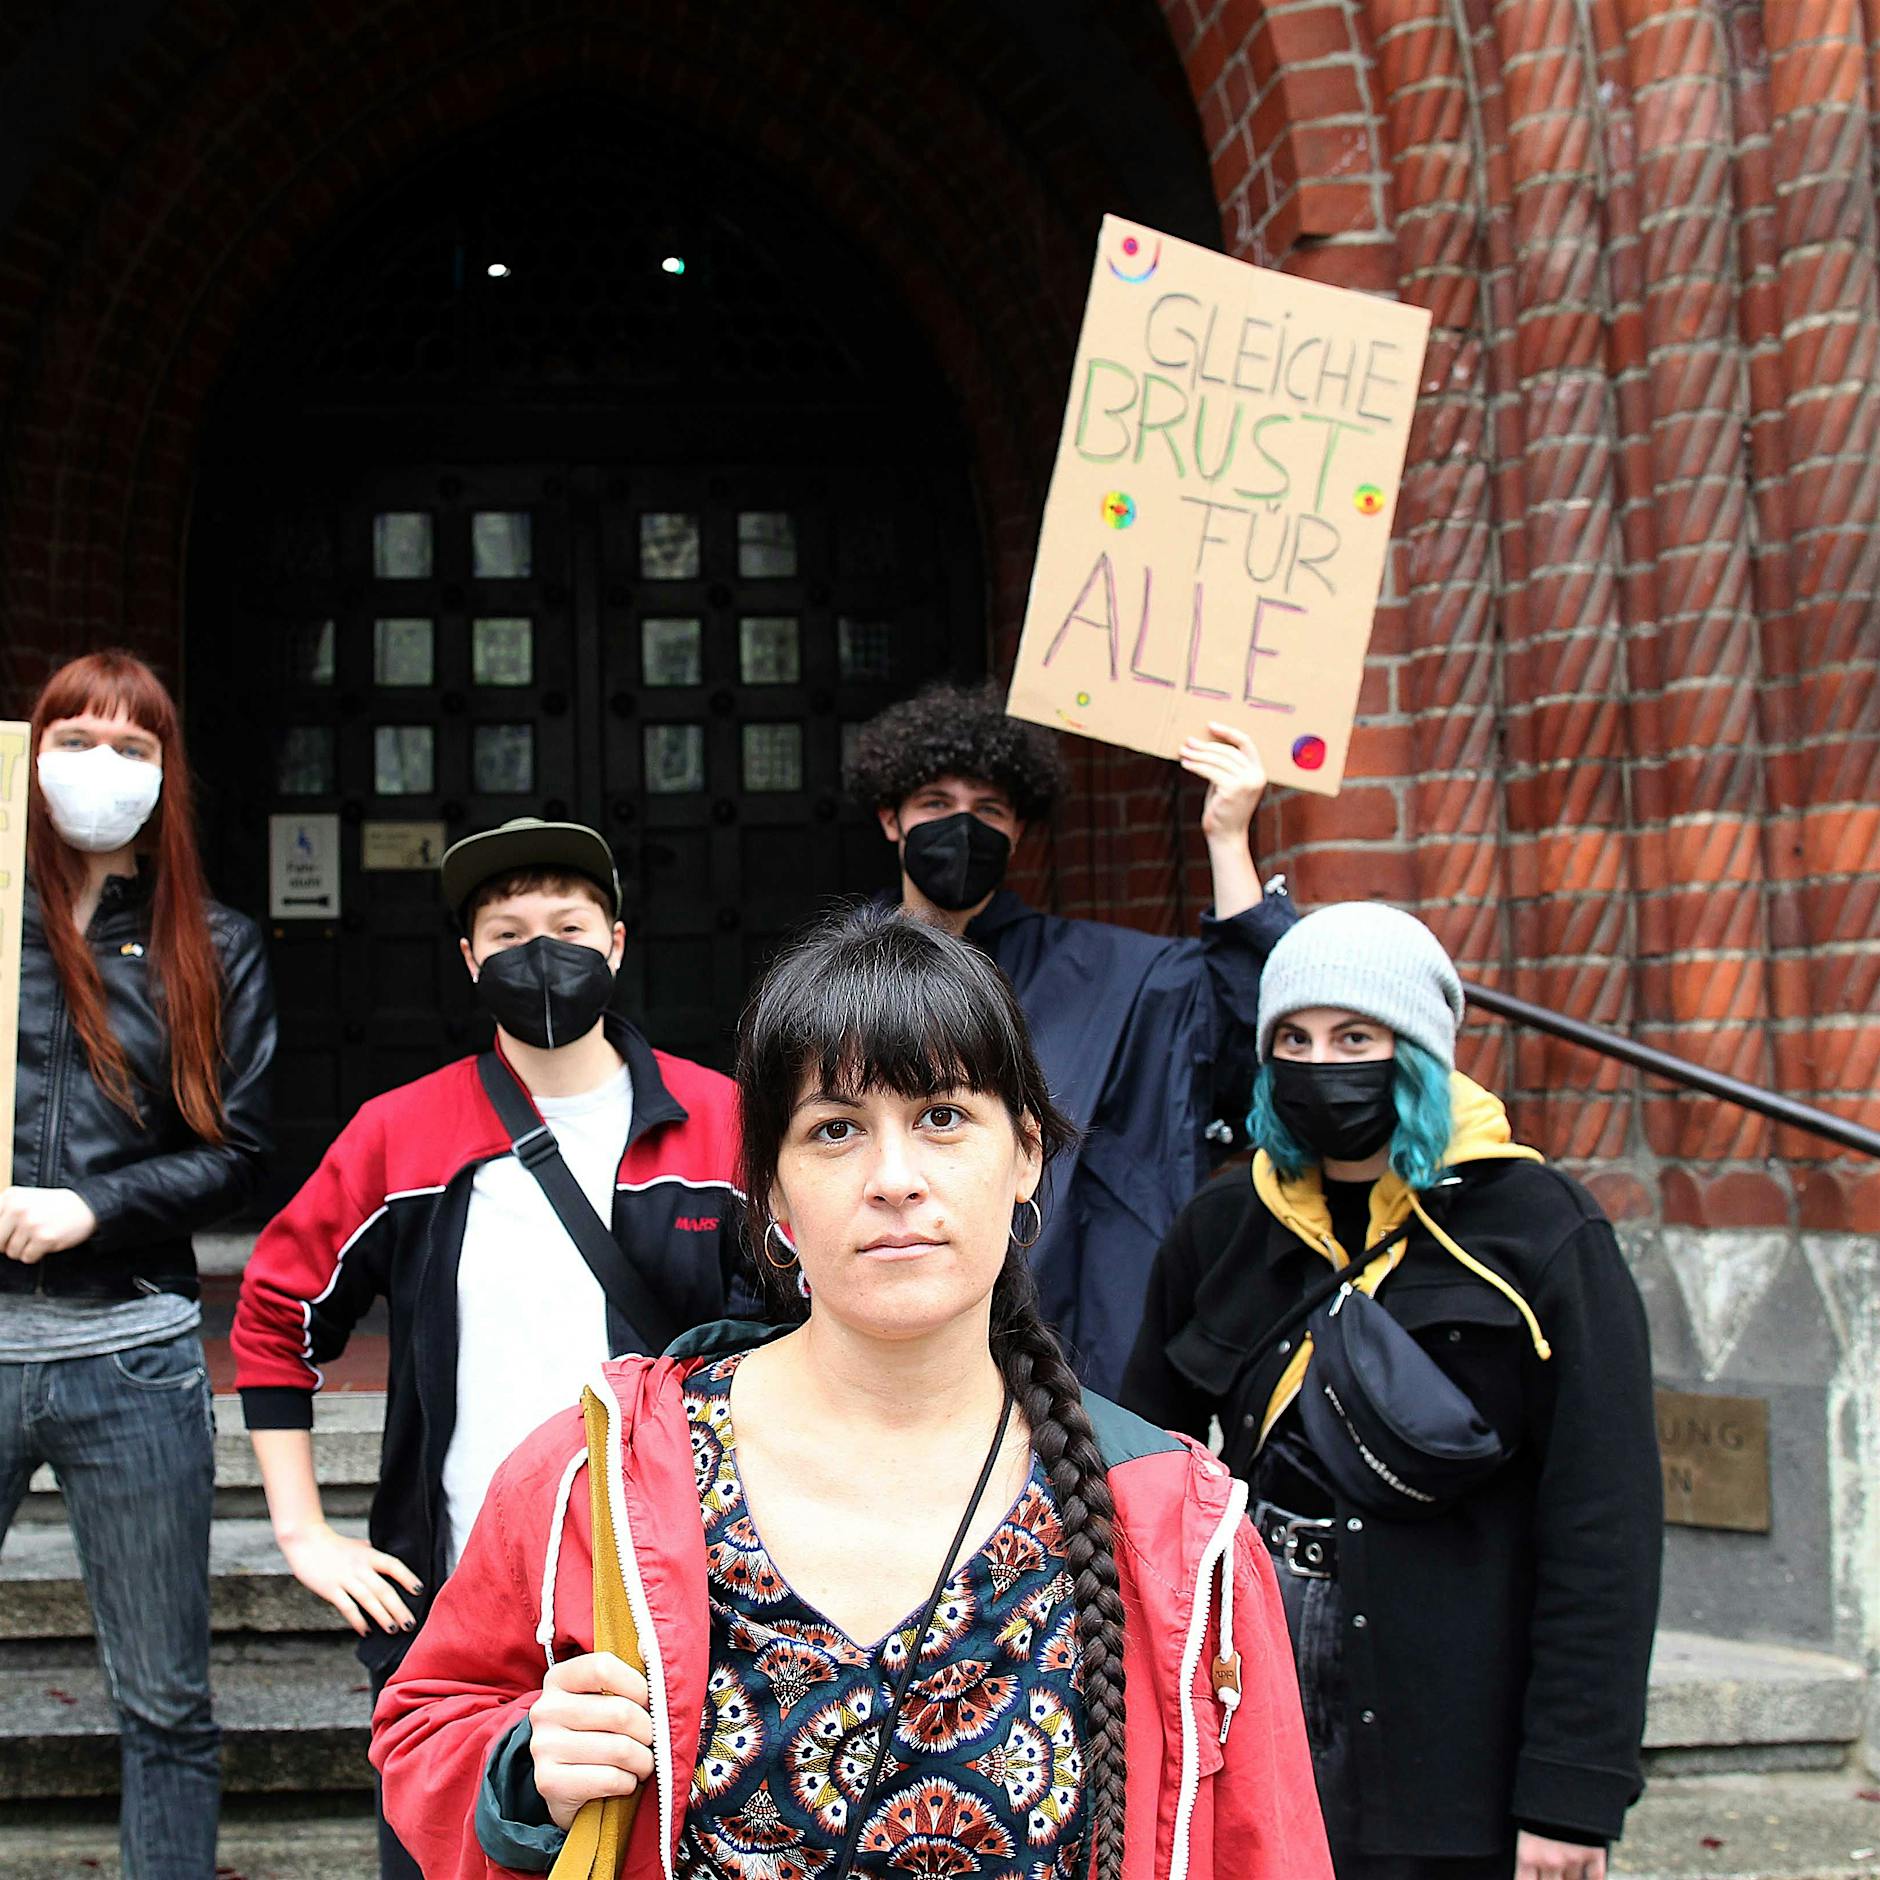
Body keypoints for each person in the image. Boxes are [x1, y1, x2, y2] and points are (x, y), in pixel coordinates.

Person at [370, 904, 1333, 1880]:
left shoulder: (1175, 1522)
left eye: (943, 1117)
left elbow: (1268, 1847)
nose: (894, 1177)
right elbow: (426, 1724)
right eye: (835, 1129)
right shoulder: (600, 1475)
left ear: (1027, 1154)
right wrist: (524, 1769)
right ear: (775, 1193)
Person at [232, 816, 746, 1879]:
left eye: (565, 924)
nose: (539, 951)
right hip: (467, 1616)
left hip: (690, 1597)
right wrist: (300, 1529)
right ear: (469, 961)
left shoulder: (722, 1123)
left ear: (614, 939)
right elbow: (278, 1308)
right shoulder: (402, 1131)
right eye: (506, 933)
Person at [1121, 902, 1662, 1880]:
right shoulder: (1219, 1221)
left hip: (1454, 1725)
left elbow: (1602, 1524)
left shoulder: (1540, 1231)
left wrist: (1570, 1790)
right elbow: (1138, 1477)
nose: (1320, 1061)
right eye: (1293, 1037)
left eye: (1353, 1036)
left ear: (1415, 1048)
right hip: (1253, 1690)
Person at [0, 650, 277, 1879]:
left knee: (164, 1702)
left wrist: (88, 1208)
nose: (100, 770)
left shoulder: (208, 944)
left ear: (166, 775)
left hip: (132, 1353)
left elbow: (239, 1155)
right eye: (76, 739)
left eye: (132, 747)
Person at [847, 680, 1295, 1396]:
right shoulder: (832, 986)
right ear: (891, 819)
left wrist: (1228, 835)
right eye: (936, 805)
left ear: (1018, 830)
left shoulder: (1109, 975)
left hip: (1074, 1354)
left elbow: (1255, 1018)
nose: (962, 827)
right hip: (886, 1347)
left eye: (988, 810)